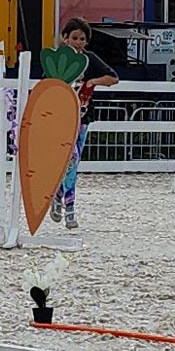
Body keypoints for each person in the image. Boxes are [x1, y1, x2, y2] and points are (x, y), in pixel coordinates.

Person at [50, 18, 120, 229]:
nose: (78, 42)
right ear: (65, 38)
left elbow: (113, 77)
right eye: (74, 38)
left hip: (83, 116)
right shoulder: (57, 60)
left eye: (82, 39)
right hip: (63, 118)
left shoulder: (89, 60)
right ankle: (69, 206)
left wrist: (92, 82)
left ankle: (59, 196)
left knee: (73, 161)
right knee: (71, 158)